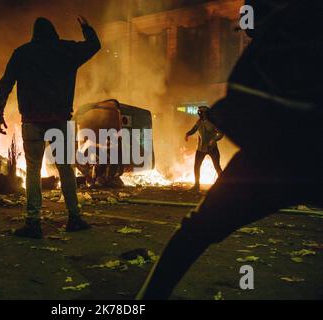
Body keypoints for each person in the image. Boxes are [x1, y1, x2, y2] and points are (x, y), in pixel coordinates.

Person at [138, 0, 323, 299]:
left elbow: (239, 102)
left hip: (269, 160)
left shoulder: (279, 30)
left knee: (193, 233)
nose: (248, 35)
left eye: (248, 28)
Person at [0, 16, 101, 239]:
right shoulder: (65, 50)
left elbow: (6, 83)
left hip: (32, 121)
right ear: (54, 32)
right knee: (65, 168)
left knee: (33, 171)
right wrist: (86, 28)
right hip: (59, 120)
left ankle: (33, 223)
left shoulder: (22, 53)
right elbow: (94, 46)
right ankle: (74, 218)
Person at [185, 106, 223, 192]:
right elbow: (194, 129)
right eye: (199, 112)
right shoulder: (199, 122)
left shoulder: (213, 123)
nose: (199, 113)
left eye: (201, 112)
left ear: (206, 113)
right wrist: (188, 134)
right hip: (201, 148)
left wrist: (214, 140)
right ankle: (196, 186)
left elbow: (221, 133)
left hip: (212, 149)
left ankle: (224, 185)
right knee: (196, 167)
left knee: (217, 167)